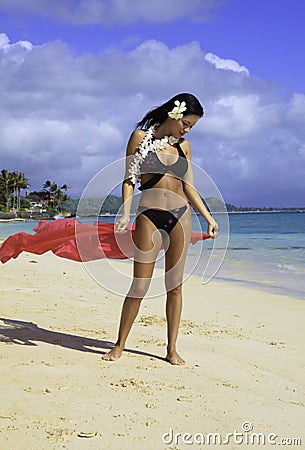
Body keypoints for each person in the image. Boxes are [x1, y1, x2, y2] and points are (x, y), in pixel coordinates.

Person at [102, 93, 218, 365]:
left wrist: (209, 218)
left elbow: (189, 186)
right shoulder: (140, 139)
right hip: (148, 216)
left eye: (192, 126)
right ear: (174, 114)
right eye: (186, 123)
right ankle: (119, 344)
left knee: (174, 287)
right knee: (139, 285)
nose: (187, 130)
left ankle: (171, 349)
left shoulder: (184, 147)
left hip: (181, 216)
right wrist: (126, 213)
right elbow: (129, 179)